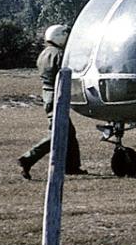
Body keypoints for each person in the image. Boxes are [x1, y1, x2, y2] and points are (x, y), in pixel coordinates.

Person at [19, 25, 87, 179]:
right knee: (58, 133)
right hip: (56, 94)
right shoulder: (59, 55)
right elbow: (68, 73)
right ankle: (27, 159)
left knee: (69, 132)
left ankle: (72, 166)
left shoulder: (44, 53)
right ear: (59, 36)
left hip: (47, 94)